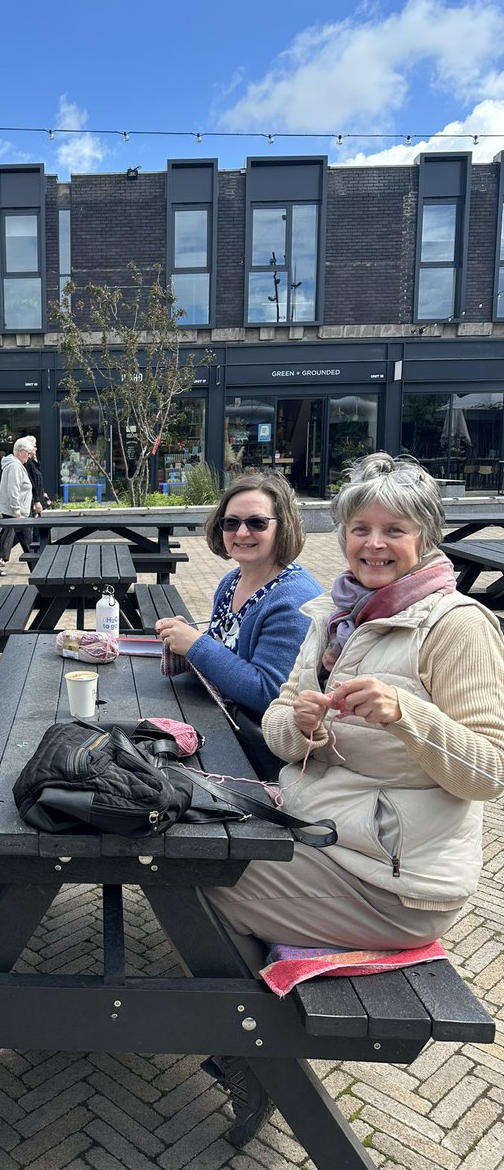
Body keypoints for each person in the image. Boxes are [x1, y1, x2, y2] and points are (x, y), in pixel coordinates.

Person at [194, 454, 504, 1145]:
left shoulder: (456, 625)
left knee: (189, 881)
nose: (373, 543)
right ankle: (253, 1037)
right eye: (360, 527)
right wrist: (297, 722)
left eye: (393, 528)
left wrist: (408, 716)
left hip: (396, 883)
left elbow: (489, 771)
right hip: (325, 839)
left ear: (425, 535)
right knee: (189, 845)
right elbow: (277, 725)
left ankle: (260, 1056)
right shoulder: (334, 614)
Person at [155, 470, 322, 777]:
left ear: (282, 527)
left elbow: (269, 694)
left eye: (256, 522)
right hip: (219, 721)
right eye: (231, 522)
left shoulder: (295, 599)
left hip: (265, 755)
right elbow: (225, 653)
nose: (242, 533)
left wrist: (196, 645)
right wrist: (185, 640)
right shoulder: (232, 581)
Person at [0, 436, 33, 577]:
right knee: (26, 540)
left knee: (14, 538)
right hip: (15, 511)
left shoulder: (15, 465)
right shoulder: (15, 466)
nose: (29, 457)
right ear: (21, 451)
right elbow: (13, 489)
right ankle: (37, 570)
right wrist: (16, 509)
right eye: (28, 453)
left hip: (13, 510)